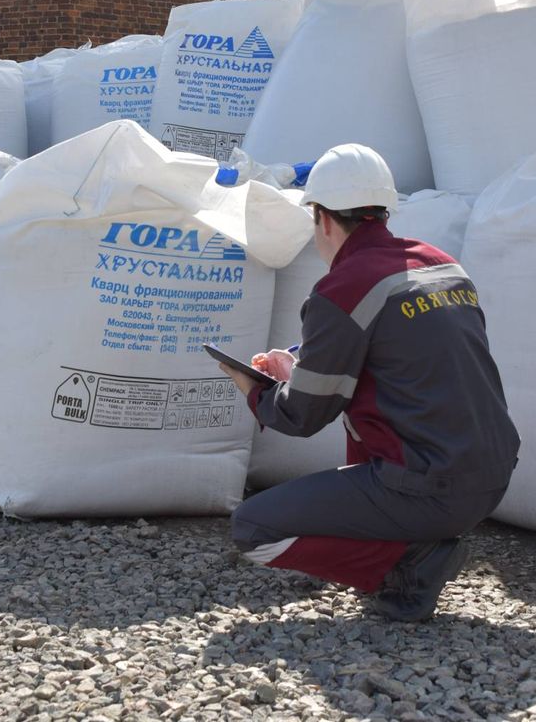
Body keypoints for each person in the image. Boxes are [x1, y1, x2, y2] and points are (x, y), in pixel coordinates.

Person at [218, 143, 520, 621]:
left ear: (321, 218)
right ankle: (411, 541)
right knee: (374, 417)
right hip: (493, 475)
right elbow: (404, 349)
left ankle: (408, 563)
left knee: (254, 529)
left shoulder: (343, 287)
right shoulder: (441, 264)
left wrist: (254, 390)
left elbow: (301, 417)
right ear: (382, 211)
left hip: (432, 486)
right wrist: (300, 361)